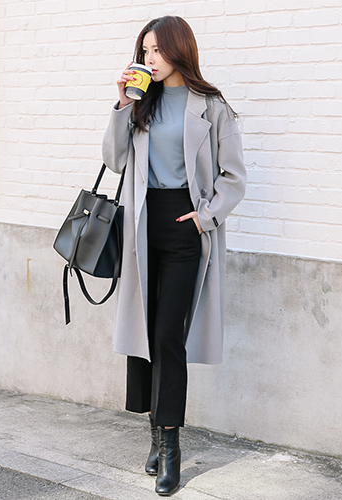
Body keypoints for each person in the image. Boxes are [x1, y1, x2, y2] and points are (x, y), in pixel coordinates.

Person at [102, 16, 246, 497]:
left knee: (168, 336)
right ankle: (154, 432)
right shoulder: (143, 101)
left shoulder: (213, 106)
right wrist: (123, 105)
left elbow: (234, 176)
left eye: (158, 50)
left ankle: (170, 448)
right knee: (145, 334)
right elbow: (114, 160)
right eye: (145, 51)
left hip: (187, 227)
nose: (150, 59)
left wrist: (205, 217)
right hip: (143, 224)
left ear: (180, 50)